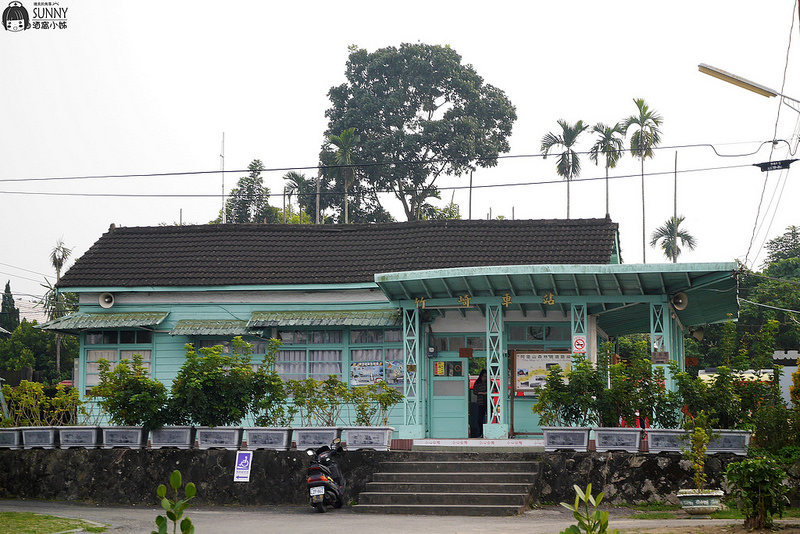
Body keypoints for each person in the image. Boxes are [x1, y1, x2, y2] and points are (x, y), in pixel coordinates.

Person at [471, 369, 487, 438]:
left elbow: (495, 388)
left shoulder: (489, 382)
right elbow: (475, 391)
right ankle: (481, 432)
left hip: (488, 402)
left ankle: (487, 433)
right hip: (480, 403)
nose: (485, 378)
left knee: (489, 418)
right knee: (480, 419)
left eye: (486, 376)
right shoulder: (477, 383)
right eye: (484, 376)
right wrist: (483, 393)